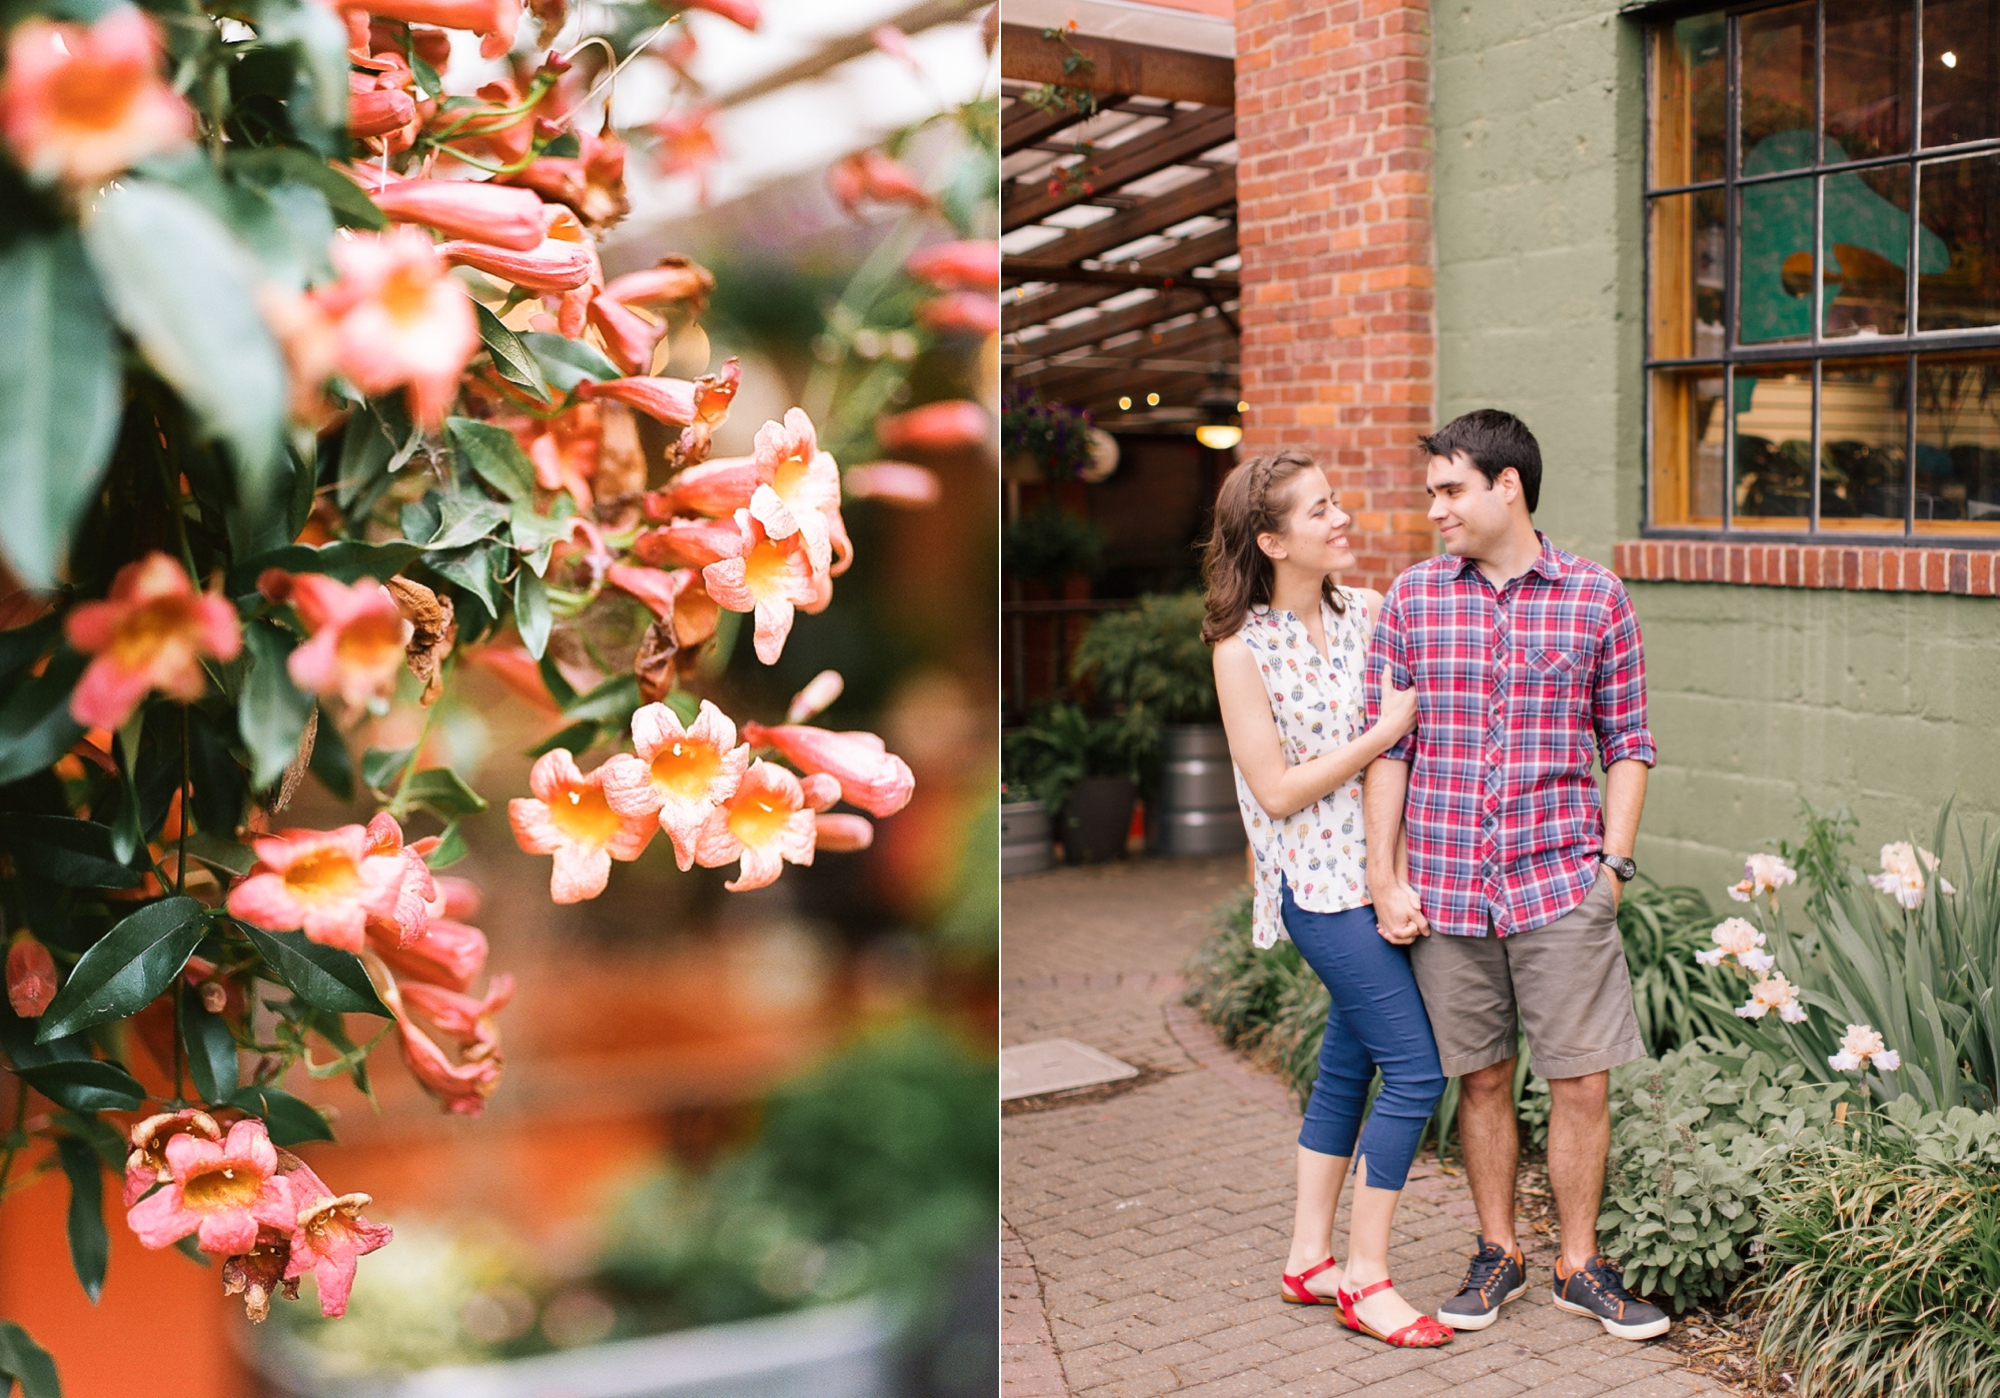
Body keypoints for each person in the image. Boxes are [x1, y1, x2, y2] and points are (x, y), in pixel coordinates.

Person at [1362, 409, 1670, 1341]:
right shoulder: (1413, 599)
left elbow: (1630, 742)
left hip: (1558, 883)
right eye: (1431, 494)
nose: (1436, 511)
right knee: (1484, 1081)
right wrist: (1386, 876)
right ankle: (1497, 1250)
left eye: (1450, 490)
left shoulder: (1595, 597)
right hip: (1450, 891)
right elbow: (1390, 752)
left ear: (1508, 486)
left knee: (1580, 1082)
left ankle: (1581, 1264)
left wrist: (1611, 867)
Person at [1203, 448, 1449, 1349]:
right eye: (1319, 511)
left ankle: (1309, 1258)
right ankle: (1367, 1279)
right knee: (1417, 1073)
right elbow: (1274, 790)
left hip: (1386, 876)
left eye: (1338, 501)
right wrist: (1383, 731)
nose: (1342, 518)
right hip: (1318, 892)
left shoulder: (1373, 613)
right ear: (1271, 540)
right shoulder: (1241, 652)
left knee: (1350, 1070)